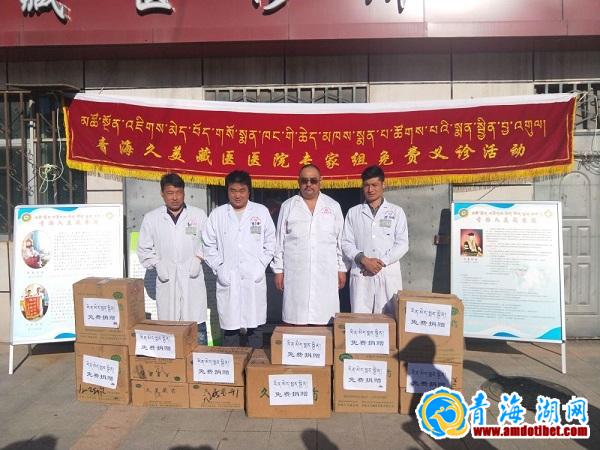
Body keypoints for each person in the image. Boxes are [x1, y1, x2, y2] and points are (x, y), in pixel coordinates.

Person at [202, 170, 276, 348]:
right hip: (229, 278)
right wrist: (219, 267)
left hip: (253, 278)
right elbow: (208, 245)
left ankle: (254, 363)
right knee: (230, 330)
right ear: (227, 191)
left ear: (249, 191)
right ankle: (233, 363)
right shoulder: (218, 214)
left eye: (242, 190)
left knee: (255, 328)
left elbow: (271, 242)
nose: (237, 195)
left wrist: (260, 265)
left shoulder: (261, 212)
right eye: (233, 190)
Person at [137, 173, 209, 344]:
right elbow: (144, 249)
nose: (175, 197)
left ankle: (199, 357)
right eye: (170, 193)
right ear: (162, 194)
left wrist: (198, 258)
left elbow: (209, 242)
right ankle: (171, 359)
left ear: (184, 193)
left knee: (196, 324)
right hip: (167, 278)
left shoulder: (198, 215)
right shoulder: (152, 218)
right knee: (169, 327)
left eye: (178, 192)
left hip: (192, 277)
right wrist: (157, 264)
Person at [271, 164, 347, 325]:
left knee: (324, 318)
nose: (309, 185)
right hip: (296, 272)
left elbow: (340, 241)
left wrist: (341, 268)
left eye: (313, 180)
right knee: (296, 319)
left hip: (326, 271)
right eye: (304, 181)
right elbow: (279, 241)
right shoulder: (288, 206)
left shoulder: (333, 206)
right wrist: (278, 270)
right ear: (298, 182)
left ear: (320, 181)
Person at [342, 165, 409, 314]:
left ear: (383, 185)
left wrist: (380, 262)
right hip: (362, 273)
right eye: (366, 185)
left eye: (374, 185)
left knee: (389, 318)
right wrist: (364, 260)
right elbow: (346, 242)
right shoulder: (353, 212)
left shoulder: (396, 212)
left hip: (387, 273)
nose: (370, 189)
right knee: (360, 318)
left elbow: (402, 244)